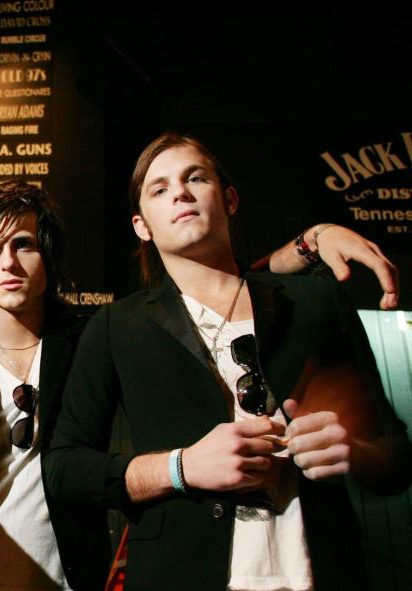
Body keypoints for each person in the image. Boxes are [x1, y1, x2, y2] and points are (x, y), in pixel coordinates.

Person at [0, 177, 401, 591]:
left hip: (70, 573)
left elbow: (213, 290)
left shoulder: (98, 338)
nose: (8, 263)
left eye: (22, 245)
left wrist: (311, 242)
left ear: (49, 254)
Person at [44, 132, 412, 591]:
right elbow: (64, 469)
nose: (179, 191)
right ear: (142, 225)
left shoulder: (316, 303)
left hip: (326, 569)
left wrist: (354, 451)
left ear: (230, 199)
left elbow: (395, 455)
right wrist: (180, 468)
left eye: (195, 177)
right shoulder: (117, 326)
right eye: (159, 189)